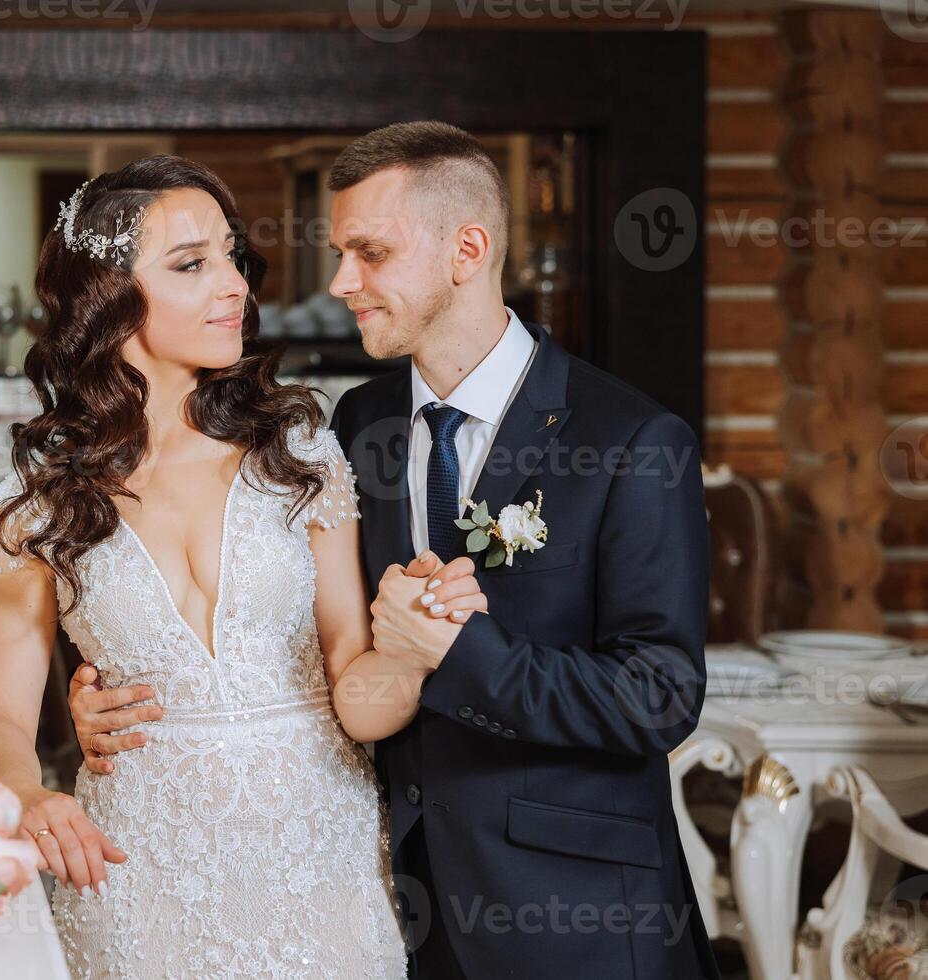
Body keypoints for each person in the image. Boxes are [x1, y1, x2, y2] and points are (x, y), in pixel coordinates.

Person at [67, 123, 720, 980]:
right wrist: (109, 702)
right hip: (386, 892)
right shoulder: (356, 424)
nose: (342, 283)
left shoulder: (631, 440)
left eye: (370, 253)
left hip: (571, 909)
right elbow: (302, 642)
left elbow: (659, 697)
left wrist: (458, 652)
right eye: (342, 253)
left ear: (467, 250)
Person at [0, 153, 489, 979]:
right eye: (192, 264)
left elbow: (358, 693)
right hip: (135, 877)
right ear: (109, 295)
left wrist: (413, 648)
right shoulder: (37, 503)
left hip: (319, 875)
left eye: (233, 256)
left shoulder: (302, 456)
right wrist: (27, 794)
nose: (236, 284)